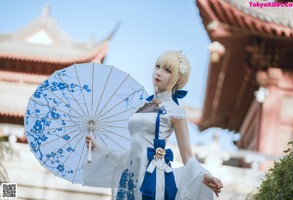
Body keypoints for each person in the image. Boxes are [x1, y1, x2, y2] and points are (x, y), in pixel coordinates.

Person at [83, 50, 223, 200]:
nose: (159, 72)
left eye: (167, 70)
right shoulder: (141, 106)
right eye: (157, 66)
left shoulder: (175, 112)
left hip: (153, 177)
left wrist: (204, 175)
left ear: (176, 78)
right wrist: (98, 146)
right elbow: (133, 151)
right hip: (130, 175)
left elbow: (187, 155)